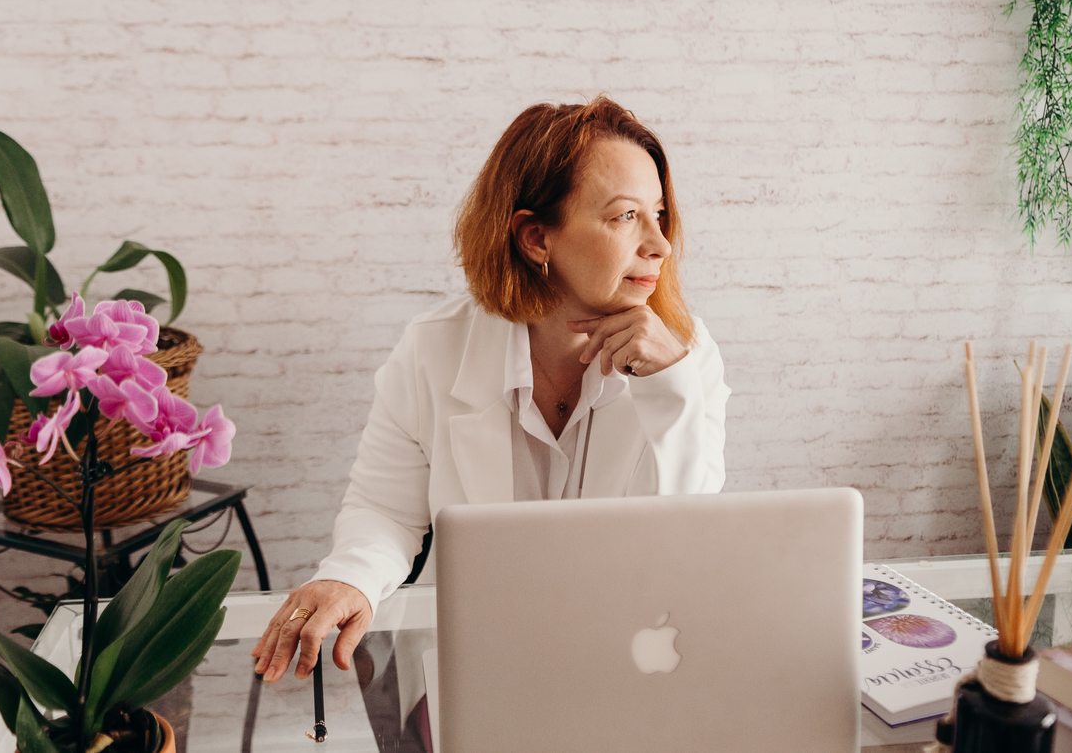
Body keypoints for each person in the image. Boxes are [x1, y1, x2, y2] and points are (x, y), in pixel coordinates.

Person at [251, 95, 730, 687]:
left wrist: (669, 388)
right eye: (625, 216)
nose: (660, 244)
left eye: (659, 213)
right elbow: (386, 510)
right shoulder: (434, 349)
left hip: (629, 665)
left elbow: (685, 540)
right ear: (536, 238)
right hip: (475, 666)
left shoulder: (685, 356)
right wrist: (350, 577)